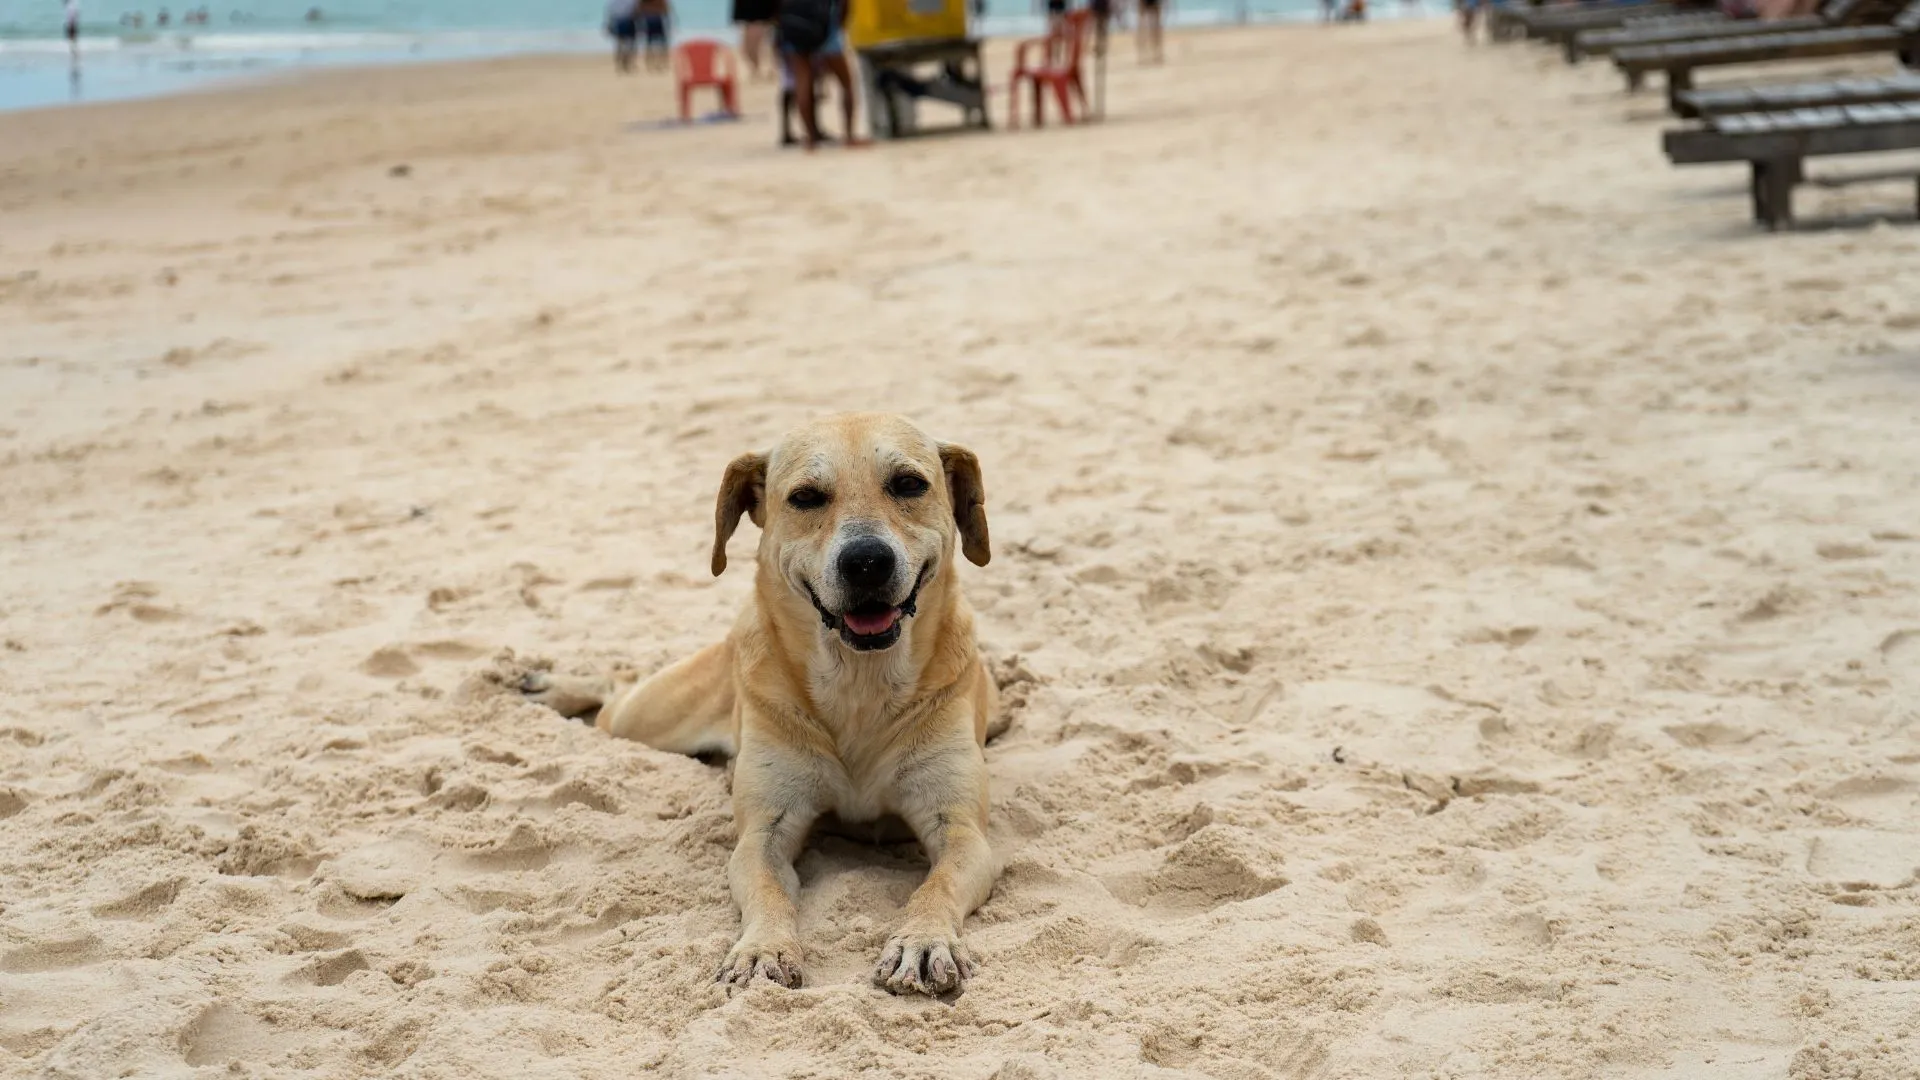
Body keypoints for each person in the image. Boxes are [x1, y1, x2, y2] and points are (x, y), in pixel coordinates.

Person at [777, 0, 866, 151]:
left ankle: (811, 139)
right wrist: (841, 25)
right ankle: (849, 136)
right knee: (846, 82)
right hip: (823, 24)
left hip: (793, 25)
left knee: (802, 83)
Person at [732, 0, 776, 78]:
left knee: (762, 48)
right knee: (748, 49)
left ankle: (764, 70)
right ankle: (757, 70)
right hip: (752, 19)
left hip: (762, 18)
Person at [638, 0, 671, 72]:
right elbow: (666, 10)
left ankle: (650, 63)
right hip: (657, 19)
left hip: (649, 20)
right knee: (661, 44)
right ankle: (661, 63)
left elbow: (639, 11)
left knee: (650, 44)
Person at [606, 0, 639, 72]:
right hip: (628, 21)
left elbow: (610, 13)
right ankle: (626, 62)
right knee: (630, 44)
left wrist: (608, 25)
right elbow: (636, 10)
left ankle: (621, 63)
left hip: (619, 21)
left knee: (620, 44)